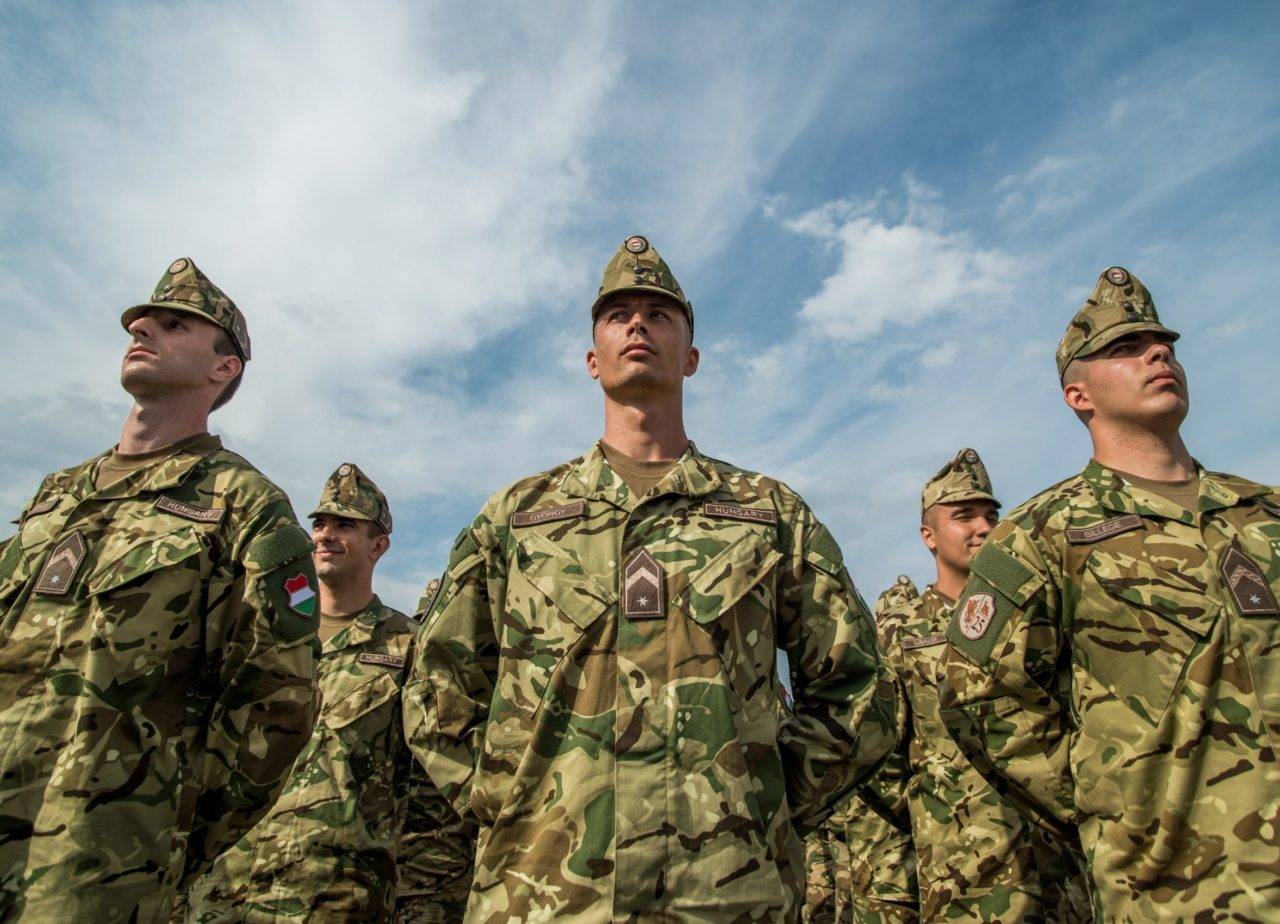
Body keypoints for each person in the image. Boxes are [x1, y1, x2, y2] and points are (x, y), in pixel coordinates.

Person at [405, 235, 896, 921]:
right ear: (591, 358)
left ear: (691, 358)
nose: (638, 324)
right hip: (544, 894)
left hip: (728, 893)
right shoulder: (520, 517)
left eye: (659, 314)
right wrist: (509, 798)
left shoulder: (765, 512)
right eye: (618, 314)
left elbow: (857, 685)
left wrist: (763, 801)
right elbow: (437, 687)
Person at [942, 266, 1280, 920]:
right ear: (1078, 394)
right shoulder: (1044, 533)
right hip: (1179, 887)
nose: (1159, 354)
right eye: (1126, 348)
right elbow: (976, 690)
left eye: (1165, 346)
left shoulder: (1264, 513)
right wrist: (1109, 800)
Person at [0, 258, 319, 920]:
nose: (142, 326)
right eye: (142, 320)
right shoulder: (56, 496)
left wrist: (174, 835)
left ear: (223, 368)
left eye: (173, 325)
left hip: (97, 856)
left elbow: (279, 699)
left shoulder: (244, 504)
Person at [186, 463, 473, 921]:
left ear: (378, 545)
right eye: (319, 524)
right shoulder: (260, 632)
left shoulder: (409, 646)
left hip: (335, 899)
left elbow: (431, 797)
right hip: (223, 891)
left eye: (344, 525)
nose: (324, 535)